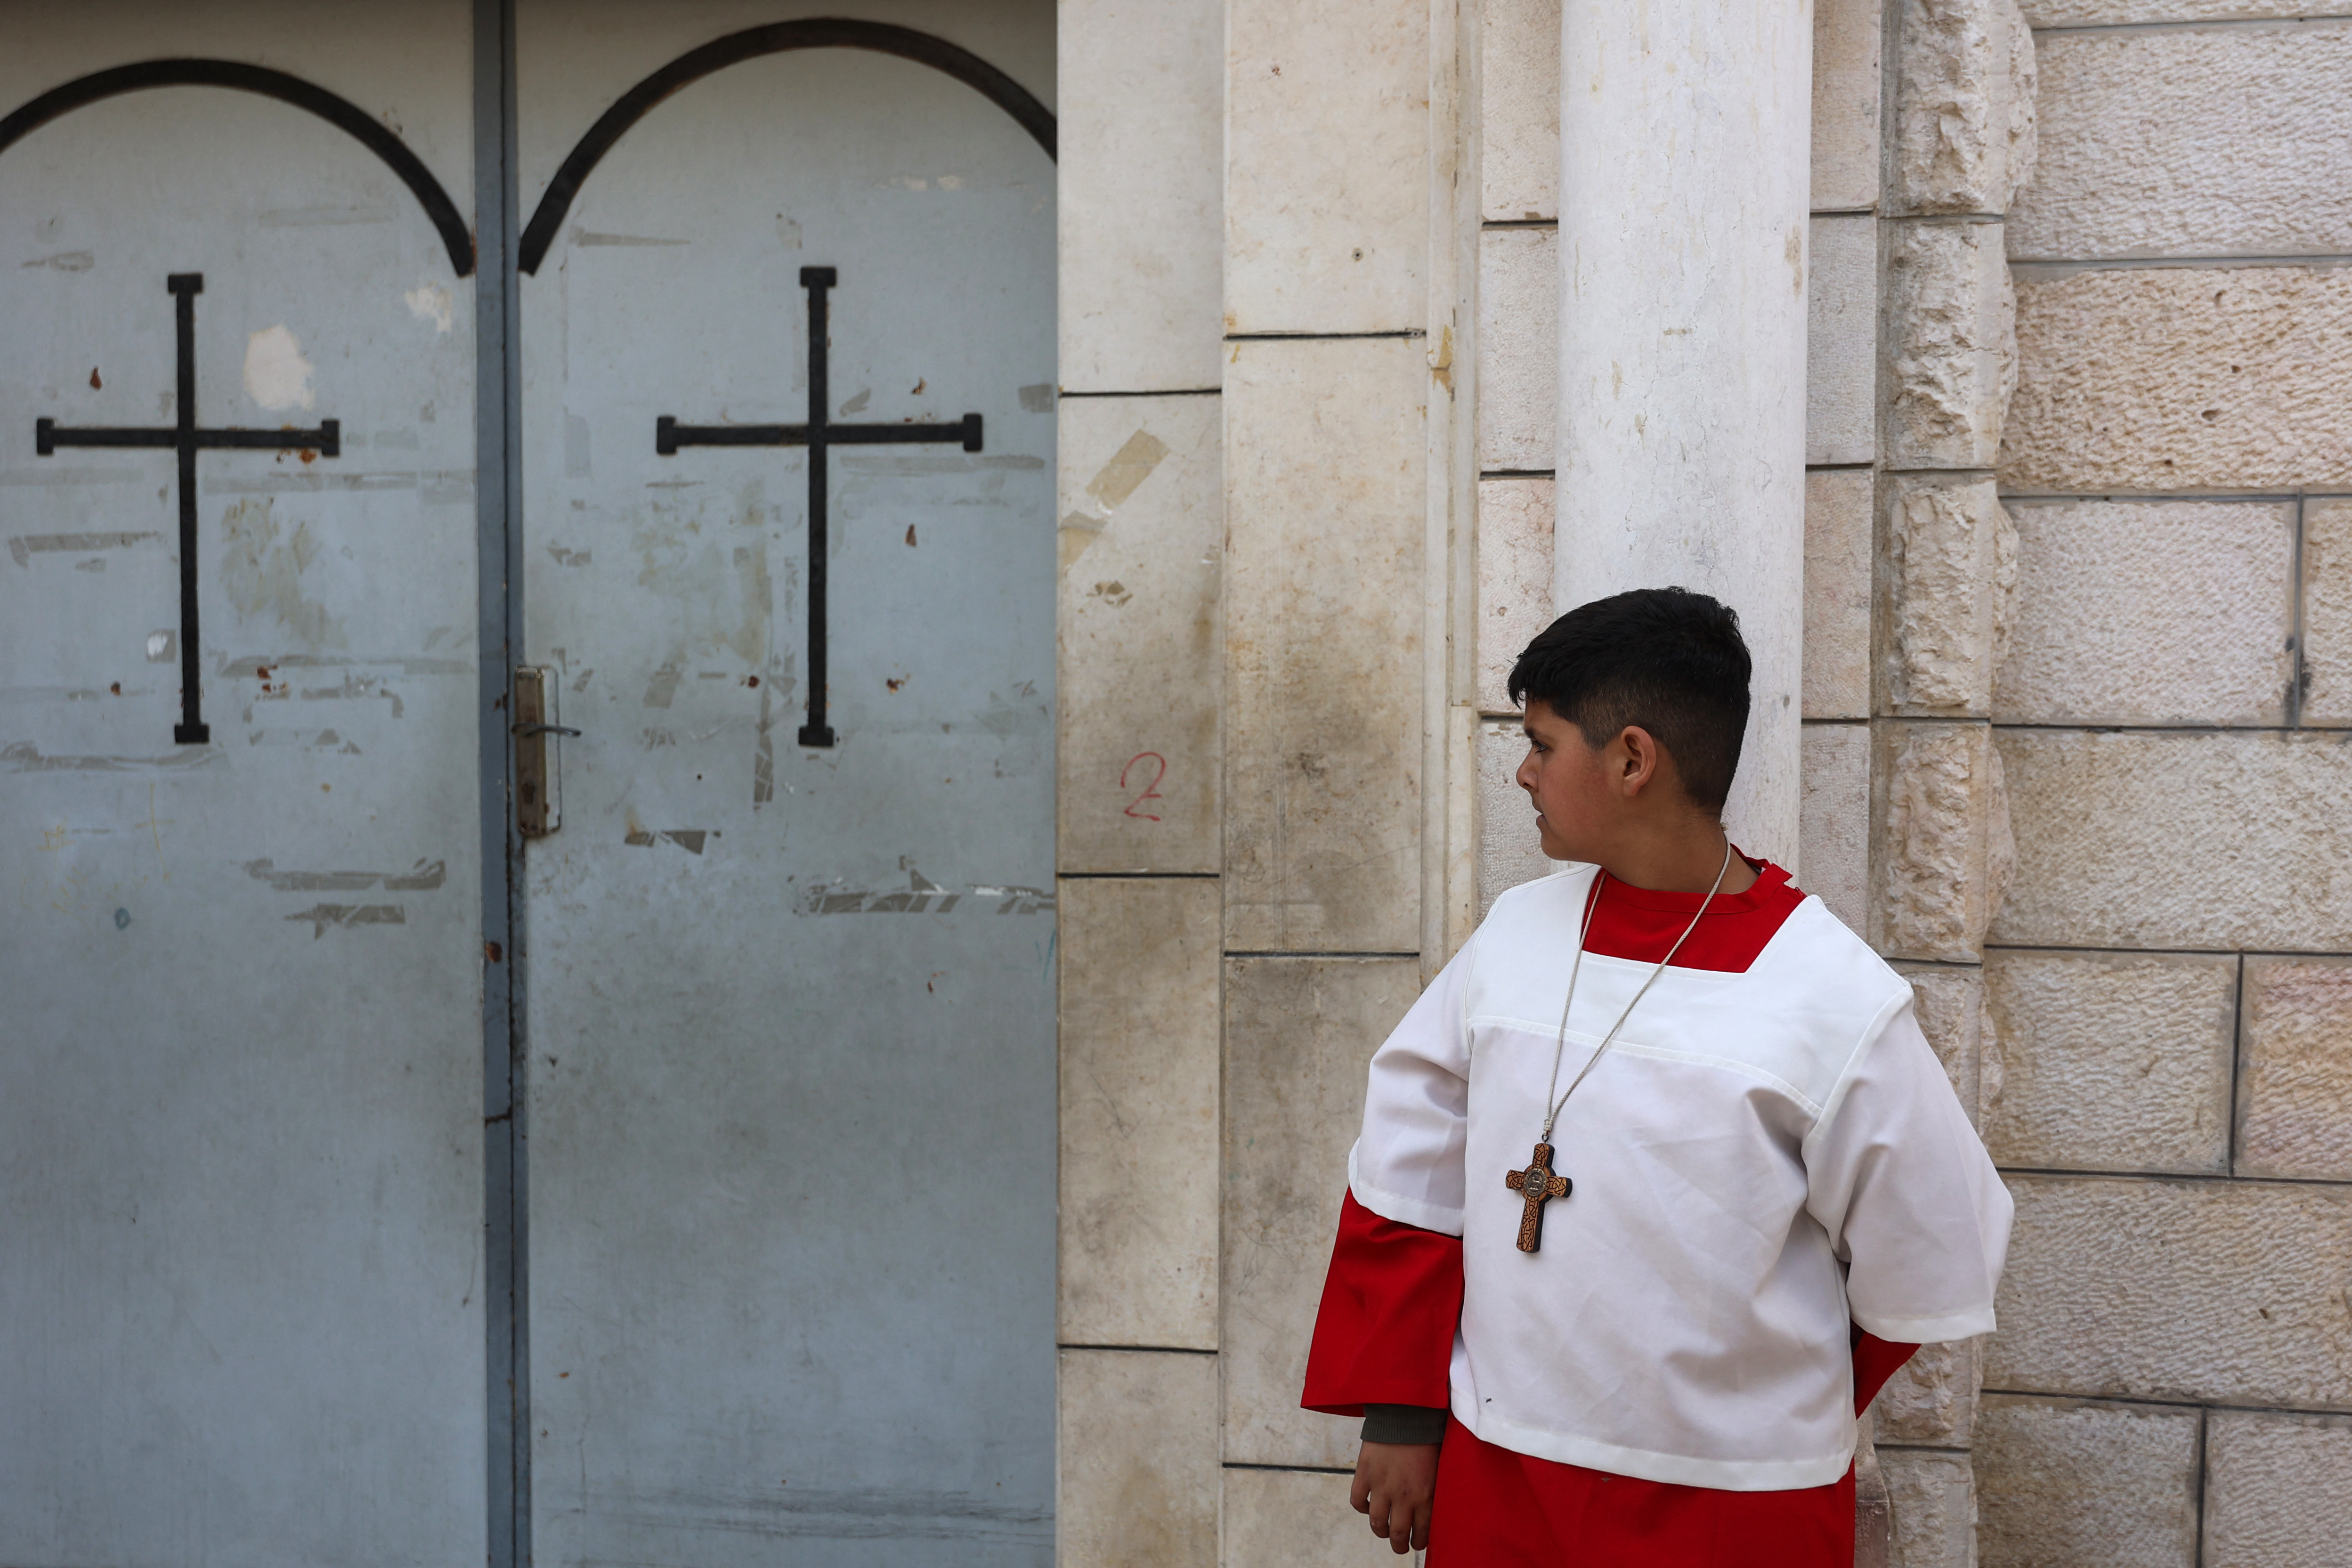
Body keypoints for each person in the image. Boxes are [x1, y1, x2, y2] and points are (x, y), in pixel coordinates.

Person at [1301, 587, 2011, 1564]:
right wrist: (1403, 1415)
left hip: (1730, 1510)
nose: (1523, 771)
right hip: (1502, 1468)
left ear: (1632, 758)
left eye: (1542, 744)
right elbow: (1405, 1173)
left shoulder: (1830, 997)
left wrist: (1749, 1407)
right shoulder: (1516, 937)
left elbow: (1927, 1250)